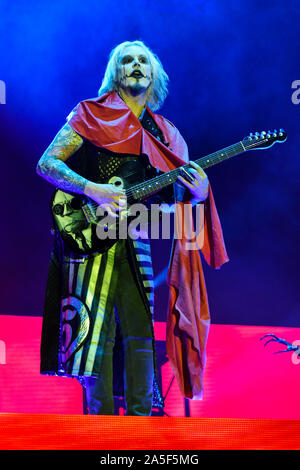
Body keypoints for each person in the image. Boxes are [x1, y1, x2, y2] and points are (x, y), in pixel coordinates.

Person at [36, 40, 228, 416]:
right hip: (88, 237)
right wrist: (94, 189)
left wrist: (200, 193)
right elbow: (47, 164)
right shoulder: (90, 114)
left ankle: (143, 427)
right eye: (128, 60)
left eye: (143, 60)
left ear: (154, 75)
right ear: (116, 72)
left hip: (137, 236)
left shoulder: (166, 135)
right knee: (94, 335)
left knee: (140, 330)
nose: (136, 64)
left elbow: (178, 207)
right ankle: (100, 429)